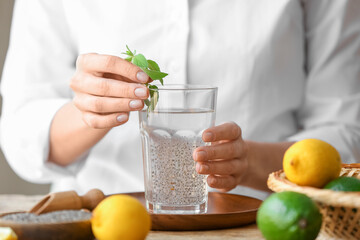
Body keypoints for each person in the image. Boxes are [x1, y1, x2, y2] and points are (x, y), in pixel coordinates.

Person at [1, 0, 360, 199]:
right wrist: (89, 114)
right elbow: (21, 135)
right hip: (103, 221)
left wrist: (249, 163)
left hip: (266, 221)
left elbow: (347, 132)